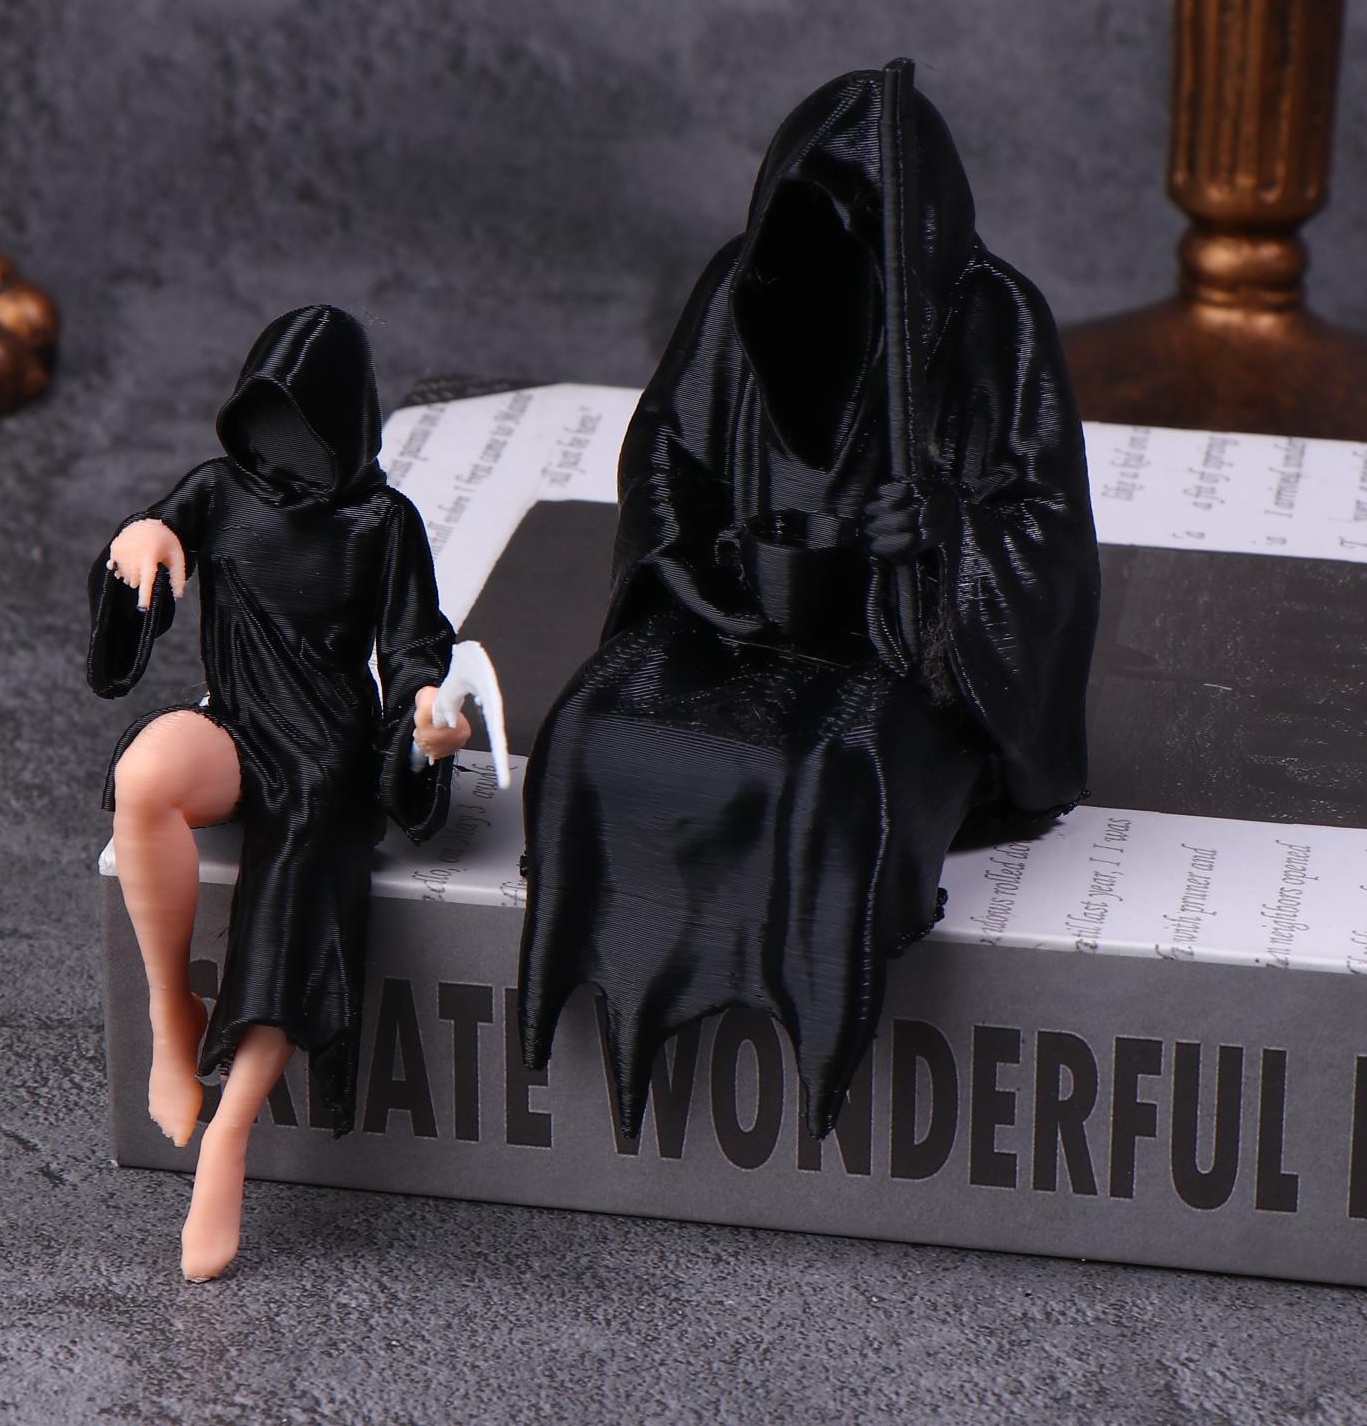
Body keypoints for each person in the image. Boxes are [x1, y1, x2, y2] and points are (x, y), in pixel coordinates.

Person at [518, 65, 1101, 1142]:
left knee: (836, 780)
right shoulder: (744, 288)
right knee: (593, 729)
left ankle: (817, 1050)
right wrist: (700, 570)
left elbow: (1046, 526)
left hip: (901, 647)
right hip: (736, 614)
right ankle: (585, 996)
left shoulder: (995, 320)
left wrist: (945, 533)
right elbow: (667, 450)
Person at [88, 305, 470, 1282]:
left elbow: (416, 645)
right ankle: (171, 1015)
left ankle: (232, 1133)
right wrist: (139, 542)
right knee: (144, 774)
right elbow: (154, 536)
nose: (283, 437)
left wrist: (427, 719)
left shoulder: (383, 523)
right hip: (236, 720)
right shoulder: (218, 490)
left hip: (326, 755)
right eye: (268, 412)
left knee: (295, 894)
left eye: (302, 416)